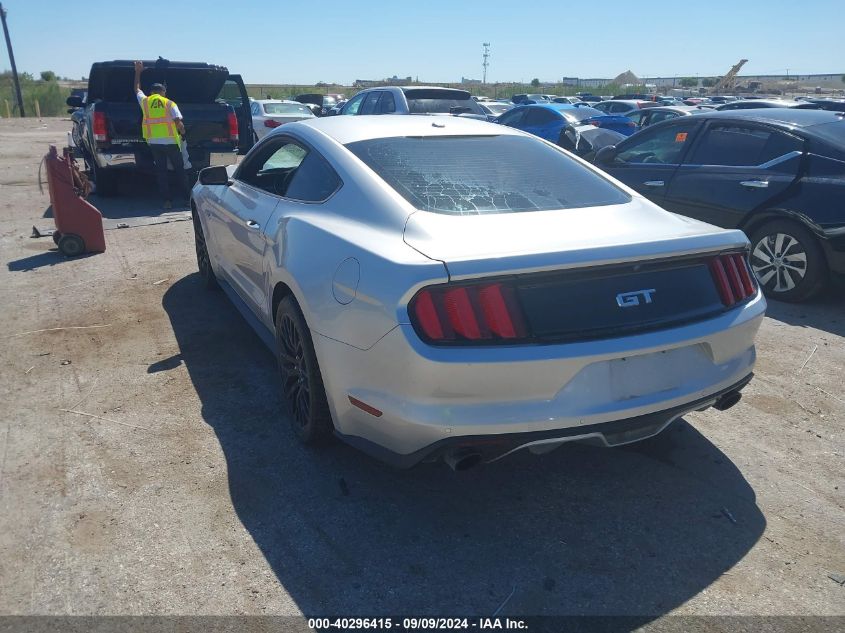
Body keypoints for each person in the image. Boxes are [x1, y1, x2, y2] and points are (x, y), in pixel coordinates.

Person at [133, 61, 189, 209]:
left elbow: (137, 89)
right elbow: (178, 121)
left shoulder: (145, 102)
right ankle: (186, 198)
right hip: (171, 142)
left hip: (154, 144)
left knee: (161, 172)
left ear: (151, 92)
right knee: (180, 170)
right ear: (163, 92)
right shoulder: (169, 103)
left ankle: (167, 201)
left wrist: (138, 71)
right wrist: (183, 133)